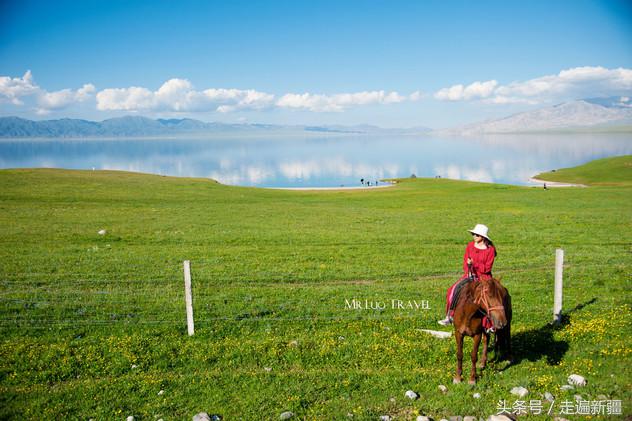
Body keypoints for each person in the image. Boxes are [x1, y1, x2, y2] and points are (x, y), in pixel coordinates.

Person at [438, 224, 497, 326]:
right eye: (473, 234)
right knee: (452, 290)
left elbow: (487, 268)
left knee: (491, 298)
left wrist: (474, 264)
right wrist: (469, 267)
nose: (474, 236)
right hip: (469, 275)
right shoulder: (470, 246)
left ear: (482, 237)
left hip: (484, 277)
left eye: (476, 235)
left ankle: (492, 324)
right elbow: (465, 261)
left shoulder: (490, 250)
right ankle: (450, 315)